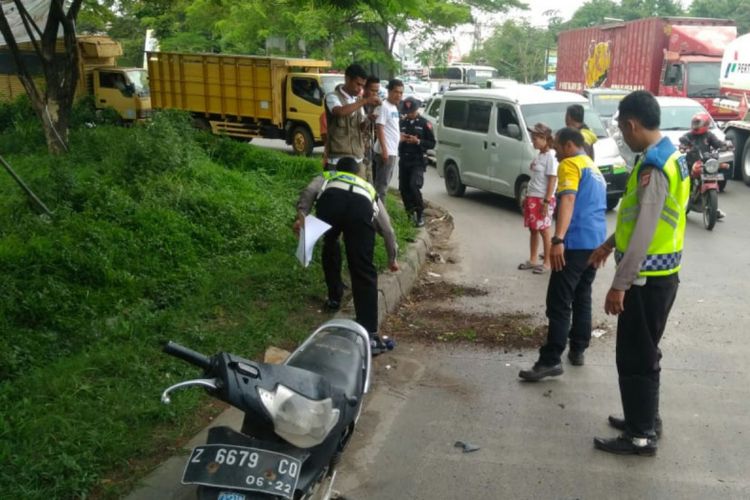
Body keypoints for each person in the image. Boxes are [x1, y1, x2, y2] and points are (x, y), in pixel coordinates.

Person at [588, 91, 690, 456]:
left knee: (634, 355)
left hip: (646, 280)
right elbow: (641, 219)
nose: (622, 136)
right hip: (663, 275)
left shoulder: (652, 167)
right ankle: (645, 419)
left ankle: (640, 435)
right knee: (646, 352)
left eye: (621, 129)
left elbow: (645, 229)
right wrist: (607, 244)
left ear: (631, 124)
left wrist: (619, 285)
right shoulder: (670, 156)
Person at [518, 127, 607, 381]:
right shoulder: (592, 166)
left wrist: (558, 239)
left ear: (569, 145)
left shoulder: (571, 165)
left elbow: (567, 201)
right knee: (582, 295)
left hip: (576, 241)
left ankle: (550, 359)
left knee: (559, 300)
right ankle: (578, 348)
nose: (555, 153)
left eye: (557, 147)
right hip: (595, 241)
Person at [294, 157, 400, 354]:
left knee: (331, 243)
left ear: (338, 169)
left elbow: (309, 192)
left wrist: (301, 217)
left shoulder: (329, 176)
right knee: (363, 269)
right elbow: (387, 229)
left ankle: (334, 297)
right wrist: (392, 258)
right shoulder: (366, 186)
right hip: (360, 210)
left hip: (331, 204)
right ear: (357, 172)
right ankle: (369, 334)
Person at [518, 123, 558, 274]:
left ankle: (547, 262)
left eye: (535, 138)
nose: (533, 141)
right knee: (533, 229)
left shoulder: (551, 157)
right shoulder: (540, 155)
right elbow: (534, 178)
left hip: (542, 199)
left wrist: (546, 201)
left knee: (544, 230)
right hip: (533, 197)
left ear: (545, 139)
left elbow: (552, 180)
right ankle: (533, 259)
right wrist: (527, 196)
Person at [325, 64, 381, 173]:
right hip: (338, 160)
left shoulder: (358, 100)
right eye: (358, 84)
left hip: (358, 157)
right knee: (339, 189)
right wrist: (365, 101)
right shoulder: (333, 96)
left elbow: (361, 127)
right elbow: (340, 112)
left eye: (362, 85)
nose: (360, 88)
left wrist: (369, 118)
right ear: (347, 79)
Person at [679, 111, 728, 218]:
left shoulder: (709, 135)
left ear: (706, 124)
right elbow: (683, 142)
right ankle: (682, 202)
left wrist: (724, 145)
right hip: (691, 163)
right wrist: (684, 146)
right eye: (695, 123)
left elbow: (717, 143)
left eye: (698, 123)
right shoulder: (689, 135)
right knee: (684, 182)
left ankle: (713, 207)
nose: (696, 126)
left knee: (714, 176)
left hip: (705, 163)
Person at [398, 96, 435, 227]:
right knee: (403, 188)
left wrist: (418, 141)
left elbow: (432, 143)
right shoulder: (401, 123)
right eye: (407, 112)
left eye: (412, 111)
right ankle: (409, 214)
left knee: (414, 186)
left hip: (418, 160)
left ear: (417, 110)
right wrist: (400, 139)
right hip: (404, 159)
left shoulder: (425, 123)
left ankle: (420, 214)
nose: (409, 114)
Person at [373, 79, 404, 201]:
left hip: (392, 151)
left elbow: (390, 129)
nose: (399, 95)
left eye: (401, 93)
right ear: (389, 91)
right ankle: (379, 216)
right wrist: (384, 151)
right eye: (396, 92)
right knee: (382, 186)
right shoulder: (384, 106)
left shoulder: (394, 107)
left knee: (383, 185)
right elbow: (379, 128)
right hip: (386, 152)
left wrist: (400, 137)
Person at [362, 76, 381, 183]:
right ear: (365, 89)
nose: (375, 94)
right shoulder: (358, 102)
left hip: (371, 149)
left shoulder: (376, 104)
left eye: (377, 91)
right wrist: (368, 117)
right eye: (372, 90)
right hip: (359, 149)